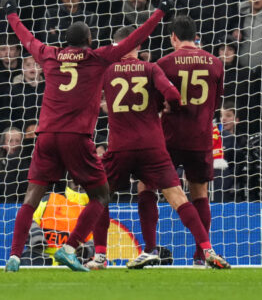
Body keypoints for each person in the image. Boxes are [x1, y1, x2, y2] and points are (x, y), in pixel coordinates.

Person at [2, 0, 173, 272]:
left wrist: (11, 13)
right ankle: (70, 248)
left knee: (32, 196)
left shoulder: (50, 55)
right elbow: (134, 39)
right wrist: (160, 13)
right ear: (89, 41)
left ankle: (15, 256)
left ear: (66, 41)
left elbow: (26, 38)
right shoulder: (98, 58)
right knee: (101, 194)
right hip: (76, 138)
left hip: (45, 136)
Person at [87, 26, 229, 270]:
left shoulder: (108, 70)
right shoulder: (153, 67)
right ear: (139, 45)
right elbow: (174, 96)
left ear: (115, 45)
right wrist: (162, 107)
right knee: (182, 196)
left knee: (100, 196)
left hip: (122, 146)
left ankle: (104, 255)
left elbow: (87, 97)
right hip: (160, 144)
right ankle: (205, 251)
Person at [157, 15, 224, 265]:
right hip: (200, 136)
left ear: (173, 37)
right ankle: (200, 255)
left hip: (170, 136)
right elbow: (216, 103)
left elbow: (157, 102)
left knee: (153, 187)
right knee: (200, 194)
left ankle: (151, 247)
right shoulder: (216, 63)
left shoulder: (164, 63)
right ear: (196, 37)